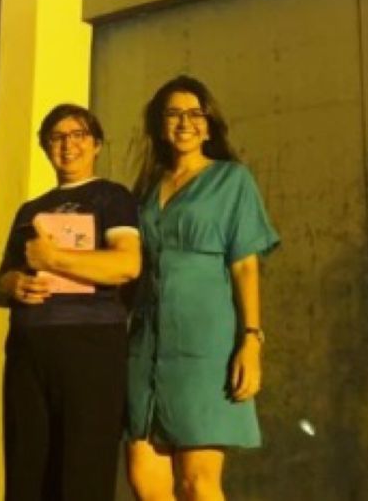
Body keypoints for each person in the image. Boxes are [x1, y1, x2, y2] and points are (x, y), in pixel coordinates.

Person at [125, 76, 280, 501]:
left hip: (204, 344)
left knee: (197, 482)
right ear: (159, 125)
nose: (184, 123)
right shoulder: (145, 190)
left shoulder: (232, 181)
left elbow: (245, 267)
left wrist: (251, 340)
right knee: (144, 479)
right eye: (173, 114)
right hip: (147, 346)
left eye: (195, 114)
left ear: (209, 125)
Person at [0, 104, 142, 501]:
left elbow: (127, 264)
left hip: (90, 345)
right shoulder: (30, 210)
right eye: (57, 137)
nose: (68, 145)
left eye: (78, 136)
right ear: (45, 147)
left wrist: (55, 259)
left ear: (95, 145)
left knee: (82, 472)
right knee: (26, 471)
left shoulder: (113, 197)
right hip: (28, 350)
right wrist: (14, 284)